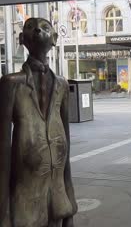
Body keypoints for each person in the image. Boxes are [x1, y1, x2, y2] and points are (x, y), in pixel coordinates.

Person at [0, 18, 77, 226]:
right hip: (24, 193)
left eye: (44, 28)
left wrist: (71, 202)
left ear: (54, 39)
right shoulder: (10, 83)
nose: (37, 31)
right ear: (22, 38)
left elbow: (66, 148)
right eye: (30, 28)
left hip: (57, 195)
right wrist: (3, 211)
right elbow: (3, 151)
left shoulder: (61, 83)